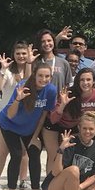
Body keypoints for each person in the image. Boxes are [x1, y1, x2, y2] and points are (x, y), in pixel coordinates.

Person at [0, 63, 58, 190]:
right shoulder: (23, 86)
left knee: (34, 153)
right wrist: (18, 99)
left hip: (30, 128)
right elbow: (10, 114)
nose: (43, 79)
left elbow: (43, 115)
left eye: (47, 76)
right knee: (17, 155)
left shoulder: (50, 90)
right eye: (40, 76)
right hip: (9, 125)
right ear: (34, 75)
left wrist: (35, 137)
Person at [0, 41, 34, 190]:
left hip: (24, 116)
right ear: (13, 55)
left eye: (24, 53)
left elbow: (29, 82)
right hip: (6, 116)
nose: (21, 56)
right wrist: (2, 70)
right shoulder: (8, 72)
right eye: (18, 53)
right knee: (3, 150)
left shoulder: (32, 69)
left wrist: (29, 63)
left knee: (24, 151)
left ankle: (23, 180)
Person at [34, 30, 73, 172]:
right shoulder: (36, 62)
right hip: (38, 108)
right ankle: (27, 180)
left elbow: (69, 86)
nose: (47, 44)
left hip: (57, 110)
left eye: (49, 41)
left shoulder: (63, 63)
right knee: (33, 148)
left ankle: (51, 182)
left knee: (55, 151)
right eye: (43, 41)